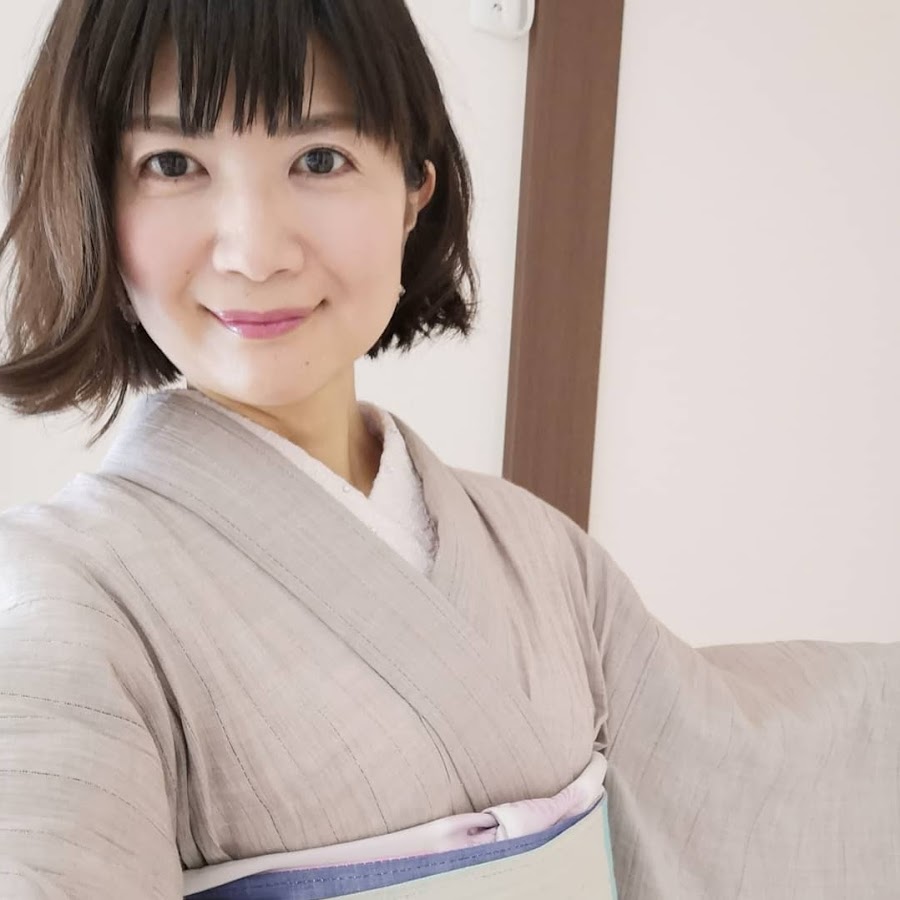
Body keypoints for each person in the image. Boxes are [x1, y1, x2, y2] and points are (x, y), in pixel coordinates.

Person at [0, 2, 895, 899]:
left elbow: (750, 773)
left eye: (320, 159)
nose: (255, 252)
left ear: (413, 191)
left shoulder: (539, 552)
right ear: (96, 198)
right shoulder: (59, 600)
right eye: (172, 164)